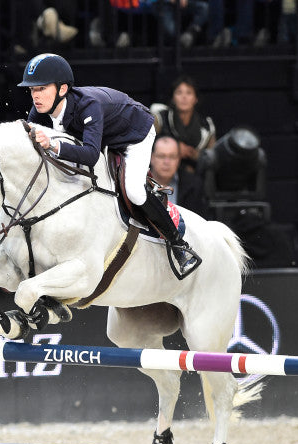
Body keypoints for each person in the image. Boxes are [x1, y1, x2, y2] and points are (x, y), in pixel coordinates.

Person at [20, 53, 202, 278]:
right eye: (32, 90)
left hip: (135, 134)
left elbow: (89, 155)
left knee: (134, 192)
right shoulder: (39, 111)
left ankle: (179, 245)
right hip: (107, 134)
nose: (35, 96)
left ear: (63, 89)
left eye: (41, 89)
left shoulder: (89, 106)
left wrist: (54, 147)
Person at [151, 75, 216, 173]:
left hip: (193, 176)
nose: (184, 97)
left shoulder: (206, 126)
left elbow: (212, 158)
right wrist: (175, 147)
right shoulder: (160, 118)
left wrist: (196, 155)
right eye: (179, 92)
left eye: (189, 93)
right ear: (173, 98)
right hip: (161, 173)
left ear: (196, 99)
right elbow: (145, 145)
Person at [150, 135, 211, 218]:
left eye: (172, 157)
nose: (166, 162)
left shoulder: (194, 185)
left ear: (178, 160)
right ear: (151, 158)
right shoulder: (138, 182)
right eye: (161, 156)